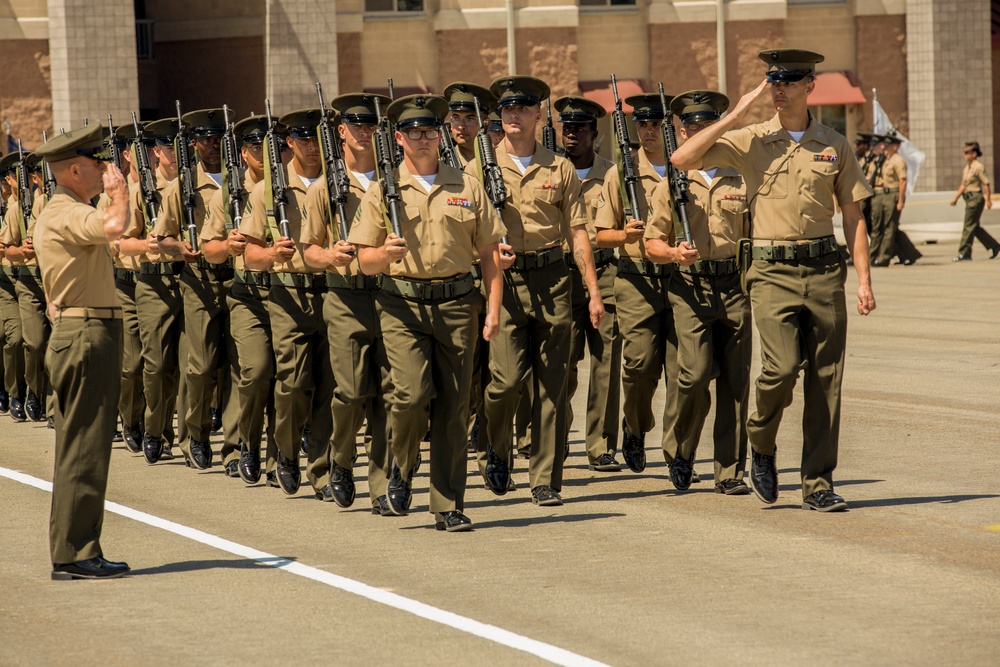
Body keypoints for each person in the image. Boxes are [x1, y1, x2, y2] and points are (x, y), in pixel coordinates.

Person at [671, 49, 876, 512]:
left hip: (824, 268)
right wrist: (737, 112)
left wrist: (864, 279)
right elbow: (682, 159)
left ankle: (817, 482)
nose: (779, 89)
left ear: (810, 86)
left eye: (789, 81)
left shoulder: (834, 143)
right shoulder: (751, 139)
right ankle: (761, 440)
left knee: (827, 379)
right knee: (780, 368)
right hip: (769, 270)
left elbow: (853, 216)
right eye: (773, 81)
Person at [350, 93, 503, 531]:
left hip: (457, 304)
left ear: (440, 137)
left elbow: (490, 254)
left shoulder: (466, 184)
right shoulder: (384, 189)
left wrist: (492, 311)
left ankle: (448, 503)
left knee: (455, 408)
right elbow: (365, 262)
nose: (422, 139)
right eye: (413, 132)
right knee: (412, 398)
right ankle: (402, 464)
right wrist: (384, 250)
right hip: (402, 305)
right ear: (398, 138)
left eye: (430, 132)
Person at [479, 75, 603, 507]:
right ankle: (495, 448)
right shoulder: (481, 167)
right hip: (505, 283)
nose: (515, 116)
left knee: (554, 384)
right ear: (500, 116)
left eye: (524, 109)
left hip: (552, 277)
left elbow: (578, 231)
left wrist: (593, 292)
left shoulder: (559, 167)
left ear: (538, 115)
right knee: (507, 381)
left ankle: (545, 478)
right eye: (508, 110)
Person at [34, 123, 130, 579]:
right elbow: (114, 225)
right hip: (87, 333)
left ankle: (76, 548)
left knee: (85, 444)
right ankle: (75, 552)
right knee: (84, 447)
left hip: (90, 330)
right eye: (97, 165)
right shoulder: (65, 210)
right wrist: (121, 193)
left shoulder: (65, 210)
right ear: (74, 169)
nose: (104, 171)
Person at [645, 90, 751, 494]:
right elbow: (651, 243)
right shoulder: (670, 183)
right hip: (689, 287)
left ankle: (729, 471)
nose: (698, 133)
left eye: (706, 126)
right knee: (691, 376)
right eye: (691, 127)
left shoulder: (741, 176)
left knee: (736, 382)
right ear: (681, 131)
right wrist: (673, 252)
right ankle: (683, 451)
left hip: (734, 285)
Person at [301, 93, 394, 511]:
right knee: (353, 392)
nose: (364, 132)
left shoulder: (397, 181)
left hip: (392, 297)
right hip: (346, 298)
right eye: (356, 125)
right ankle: (340, 458)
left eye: (371, 125)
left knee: (390, 395)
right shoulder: (326, 188)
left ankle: (381, 485)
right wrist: (330, 257)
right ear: (340, 131)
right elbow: (308, 251)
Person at [241, 108, 333, 498]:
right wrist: (273, 256)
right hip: (289, 291)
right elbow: (250, 255)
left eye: (317, 139)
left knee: (332, 386)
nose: (311, 146)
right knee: (292, 383)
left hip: (335, 290)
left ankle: (325, 471)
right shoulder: (268, 189)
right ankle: (286, 451)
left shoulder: (339, 185)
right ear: (289, 143)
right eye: (302, 139)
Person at [594, 92, 676, 476]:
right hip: (636, 279)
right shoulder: (619, 173)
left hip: (682, 278)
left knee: (684, 372)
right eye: (641, 124)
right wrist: (625, 234)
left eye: (656, 124)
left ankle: (679, 450)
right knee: (639, 364)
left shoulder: (688, 168)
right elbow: (600, 235)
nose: (648, 130)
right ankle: (634, 425)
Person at [157, 108, 240, 473]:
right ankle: (195, 436)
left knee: (242, 366)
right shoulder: (184, 184)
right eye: (206, 138)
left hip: (241, 280)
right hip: (200, 279)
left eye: (218, 137)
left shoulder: (243, 180)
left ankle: (237, 448)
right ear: (194, 143)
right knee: (202, 366)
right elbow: (162, 238)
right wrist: (181, 250)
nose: (213, 144)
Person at [200, 113, 277, 485]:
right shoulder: (228, 193)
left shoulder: (296, 187)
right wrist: (227, 247)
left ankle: (283, 455)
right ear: (244, 153)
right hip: (248, 290)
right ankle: (242, 443)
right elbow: (209, 249)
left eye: (271, 143)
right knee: (254, 371)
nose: (265, 151)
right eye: (256, 145)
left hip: (294, 291)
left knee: (290, 379)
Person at [554, 94, 622, 471]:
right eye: (567, 127)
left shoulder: (611, 174)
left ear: (595, 133)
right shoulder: (551, 172)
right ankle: (556, 435)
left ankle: (601, 445)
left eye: (580, 128)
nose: (572, 134)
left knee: (606, 359)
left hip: (606, 272)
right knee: (561, 362)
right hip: (561, 274)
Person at [119, 117, 186, 464]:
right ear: (158, 151)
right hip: (154, 281)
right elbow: (122, 244)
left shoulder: (196, 186)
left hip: (192, 279)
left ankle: (191, 438)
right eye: (172, 145)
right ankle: (152, 427)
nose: (180, 151)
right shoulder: (140, 191)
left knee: (193, 366)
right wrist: (146, 245)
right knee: (155, 364)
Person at [0, 151, 49, 424]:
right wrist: (21, 249)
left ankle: (51, 400)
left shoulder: (47, 203)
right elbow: (8, 251)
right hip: (21, 280)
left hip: (54, 279)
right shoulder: (14, 210)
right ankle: (22, 390)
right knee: (23, 340)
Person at [0, 153, 26, 421]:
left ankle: (23, 391)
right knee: (7, 337)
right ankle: (11, 389)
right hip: (5, 280)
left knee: (21, 338)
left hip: (23, 278)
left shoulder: (22, 206)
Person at [950, 141, 999, 261]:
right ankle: (994, 245)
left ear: (974, 153)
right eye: (964, 153)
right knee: (974, 227)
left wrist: (988, 200)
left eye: (967, 152)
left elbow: (986, 183)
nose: (965, 155)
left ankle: (964, 252)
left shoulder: (978, 167)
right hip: (968, 198)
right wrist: (955, 198)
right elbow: (964, 185)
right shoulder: (967, 168)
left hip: (976, 199)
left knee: (968, 226)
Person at [442, 82, 492, 166]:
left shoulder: (500, 161)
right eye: (456, 118)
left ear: (486, 123)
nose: (461, 126)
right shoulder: (441, 166)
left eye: (470, 119)